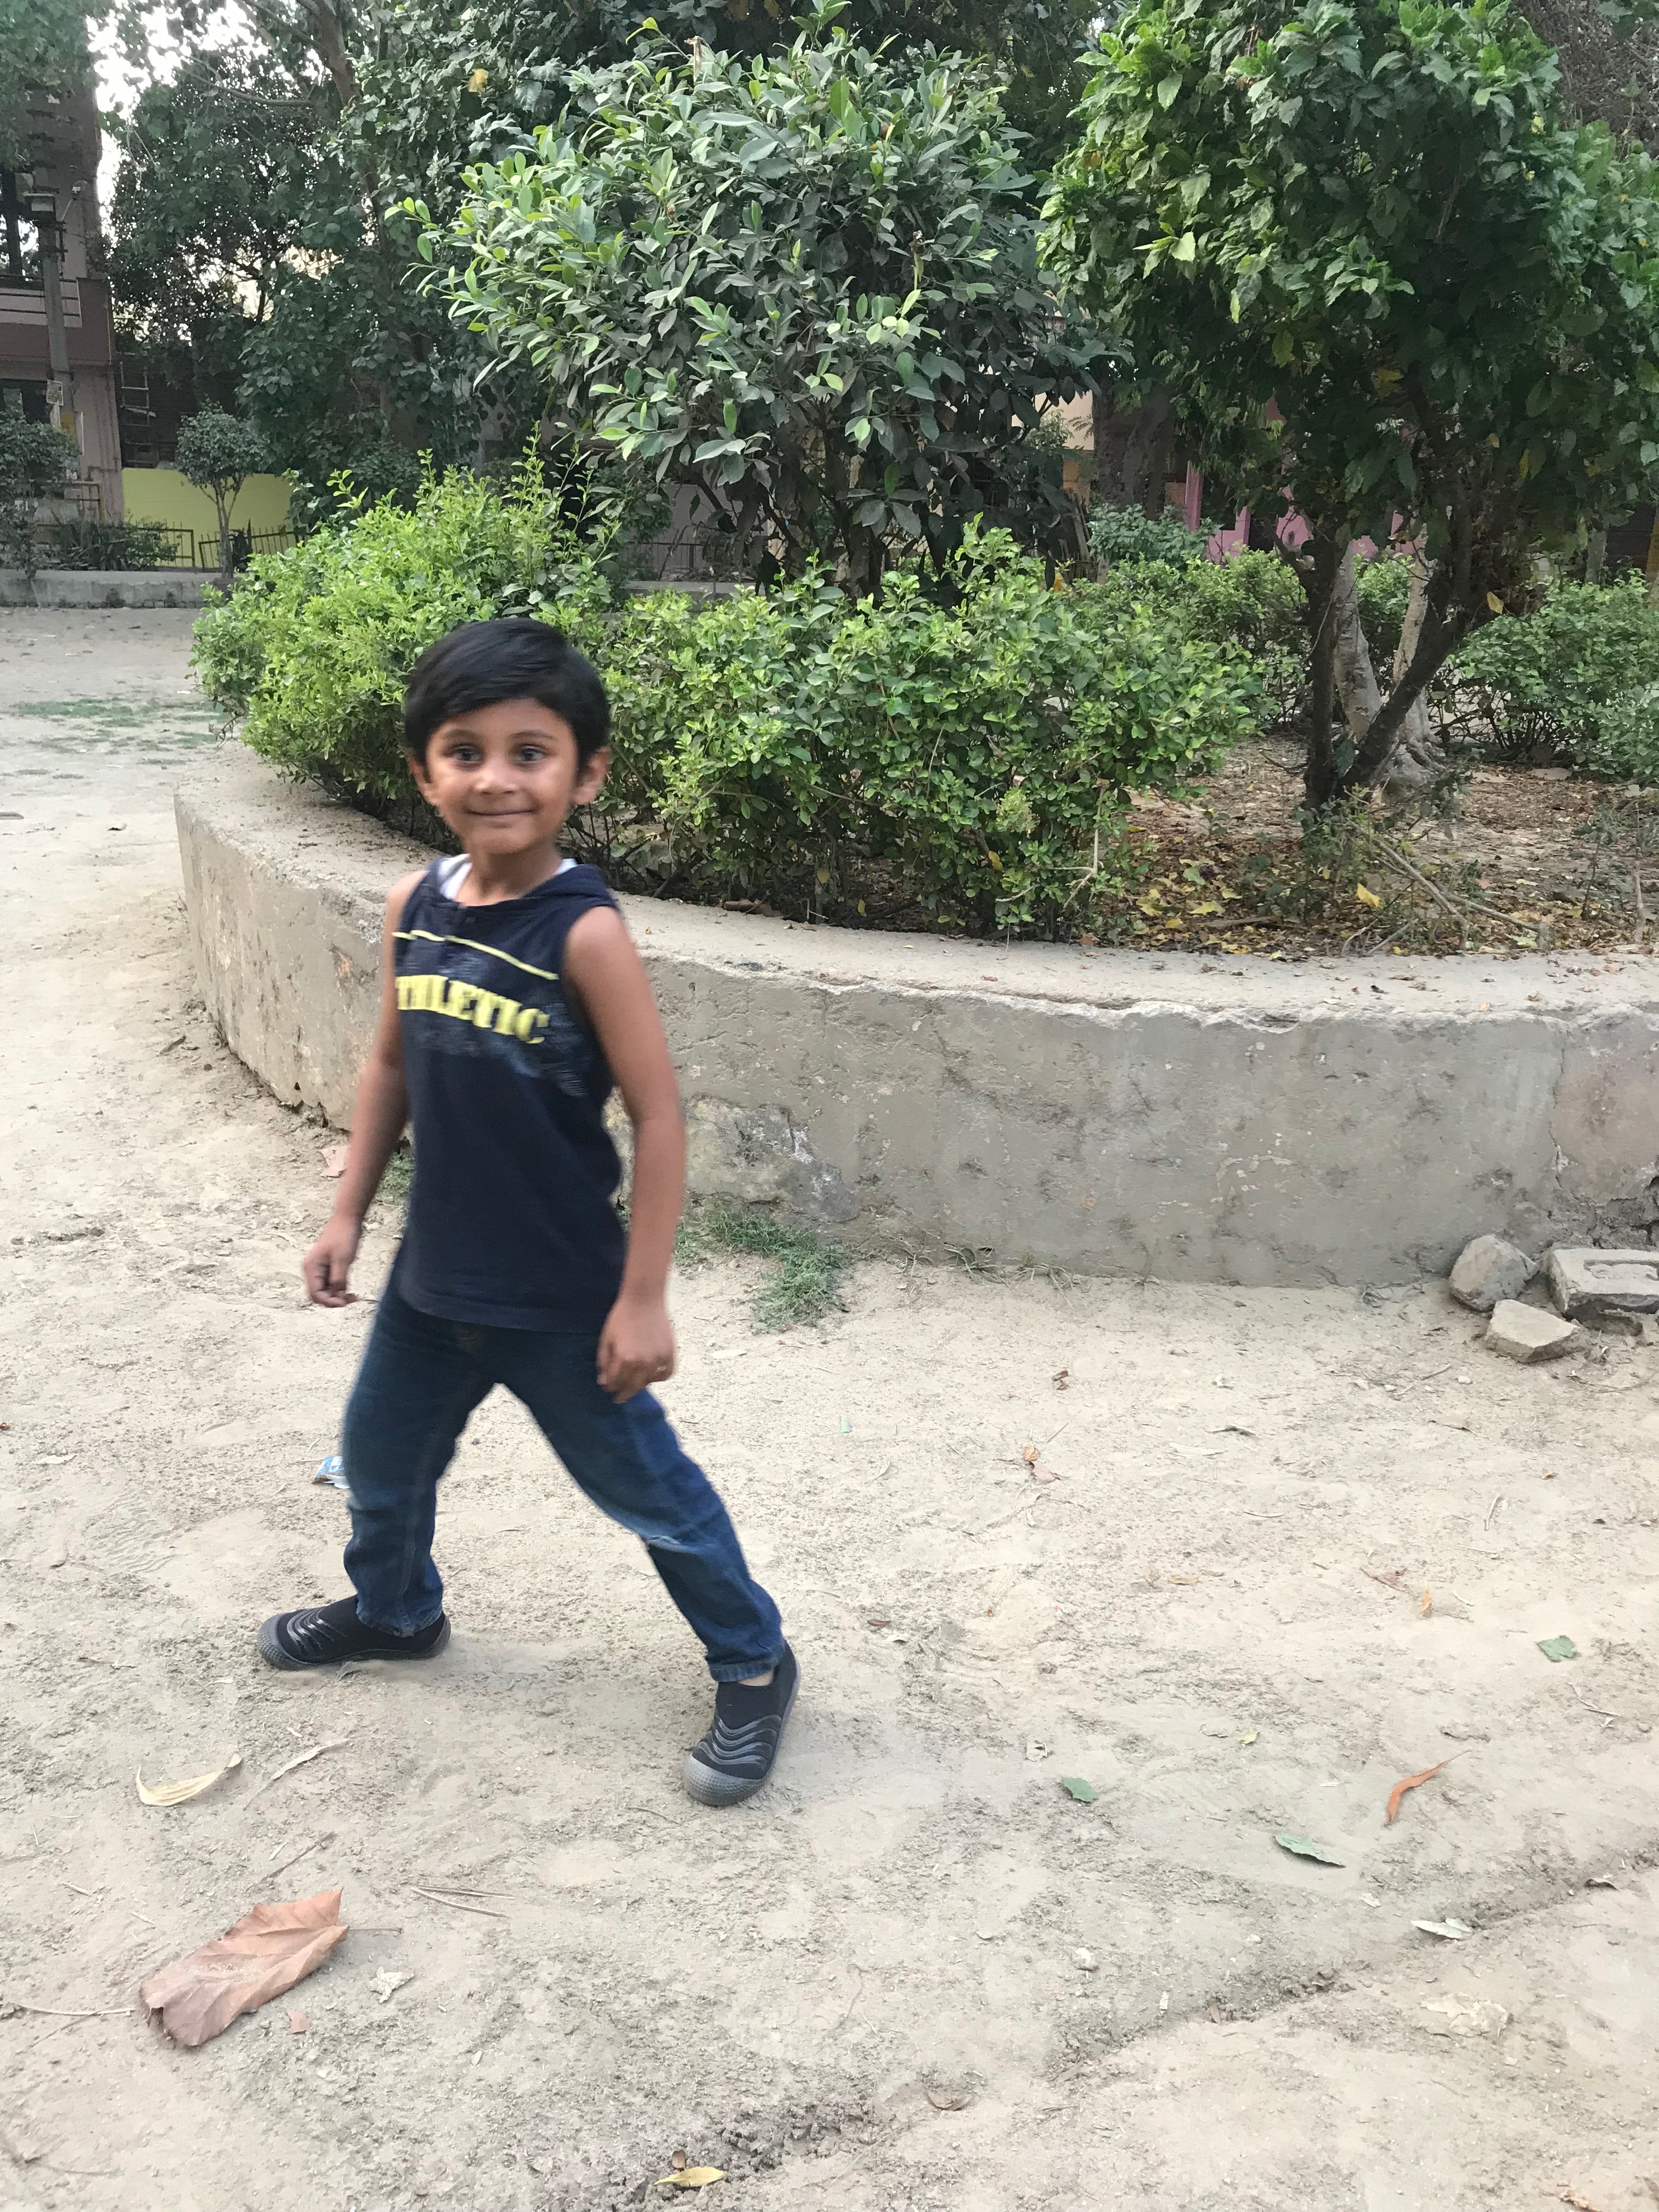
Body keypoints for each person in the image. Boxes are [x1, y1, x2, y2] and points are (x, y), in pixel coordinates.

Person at [256, 618, 797, 1807]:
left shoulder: (583, 933)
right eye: (466, 751)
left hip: (562, 1300)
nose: (496, 778)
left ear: (584, 774)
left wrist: (643, 1299)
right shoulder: (414, 904)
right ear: (424, 771)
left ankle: (755, 1660)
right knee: (381, 1466)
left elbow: (659, 1116)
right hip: (430, 1285)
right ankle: (397, 1613)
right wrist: (346, 1216)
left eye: (530, 752)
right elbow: (390, 1067)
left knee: (649, 1497)